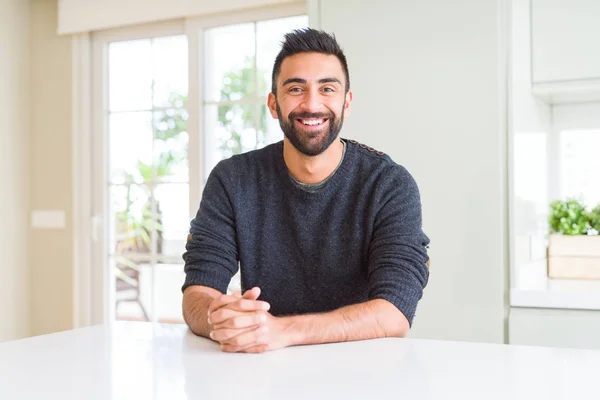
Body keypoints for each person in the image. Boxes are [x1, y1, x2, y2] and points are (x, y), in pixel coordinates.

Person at [182, 28, 430, 353]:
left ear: (346, 102)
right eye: (296, 88)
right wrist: (221, 318)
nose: (312, 104)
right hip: (264, 367)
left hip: (363, 371)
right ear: (274, 104)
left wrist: (282, 331)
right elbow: (197, 292)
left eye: (327, 88)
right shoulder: (233, 179)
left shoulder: (389, 185)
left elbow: (394, 312)